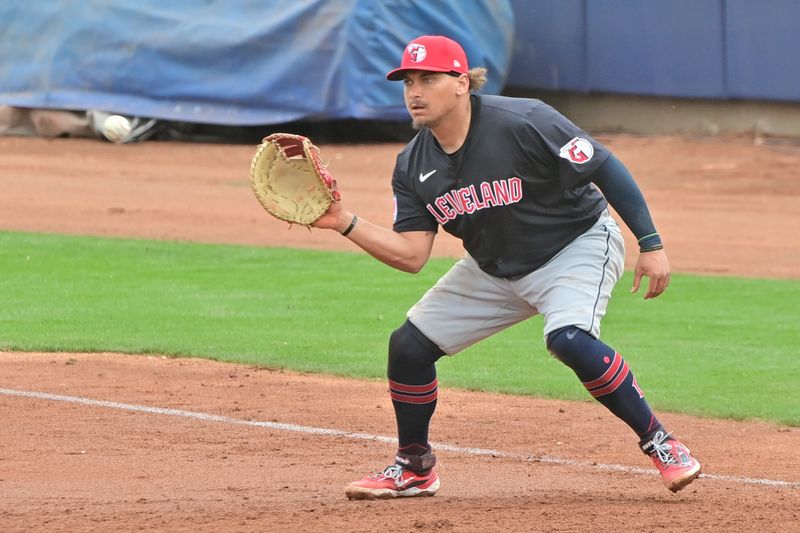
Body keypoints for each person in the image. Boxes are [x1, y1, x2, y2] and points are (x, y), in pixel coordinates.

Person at [311, 35, 701, 499]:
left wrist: (650, 243)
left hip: (574, 245)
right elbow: (411, 254)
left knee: (569, 338)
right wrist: (343, 222)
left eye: (428, 79)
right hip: (493, 269)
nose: (414, 91)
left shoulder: (524, 120)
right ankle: (414, 466)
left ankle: (663, 443)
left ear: (461, 82)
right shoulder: (412, 164)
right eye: (408, 81)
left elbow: (603, 164)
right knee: (409, 347)